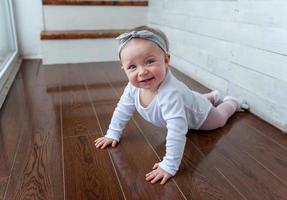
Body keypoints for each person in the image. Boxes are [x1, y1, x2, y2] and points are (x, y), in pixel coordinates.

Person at [94, 25, 248, 185]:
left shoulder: (170, 94)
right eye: (132, 67)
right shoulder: (133, 87)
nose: (142, 72)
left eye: (149, 61)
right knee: (190, 98)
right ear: (124, 69)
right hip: (188, 100)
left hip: (202, 116)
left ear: (166, 59)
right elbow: (122, 109)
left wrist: (169, 165)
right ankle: (211, 96)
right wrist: (112, 133)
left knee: (220, 119)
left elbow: (177, 131)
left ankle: (232, 102)